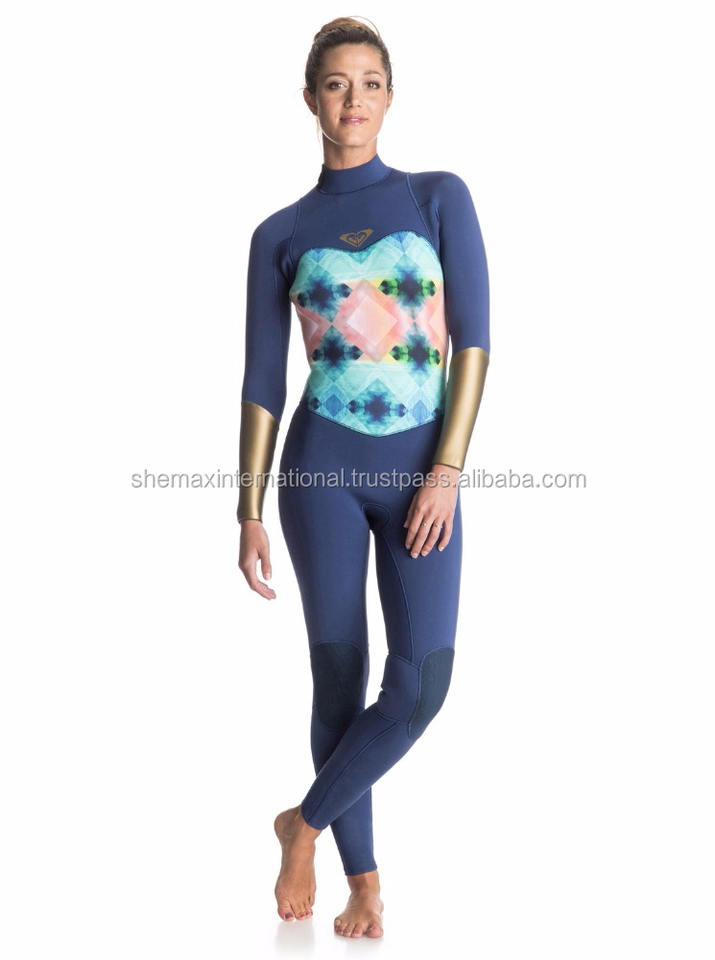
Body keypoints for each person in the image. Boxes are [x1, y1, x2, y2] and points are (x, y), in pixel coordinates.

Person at [237, 16, 490, 939]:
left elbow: (474, 343)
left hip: (425, 473)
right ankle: (365, 882)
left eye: (370, 83)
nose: (354, 100)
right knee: (338, 683)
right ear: (311, 100)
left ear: (390, 96)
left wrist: (447, 470)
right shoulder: (279, 233)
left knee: (420, 686)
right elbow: (263, 381)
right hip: (319, 476)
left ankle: (299, 824)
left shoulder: (436, 197)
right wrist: (247, 509)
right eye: (337, 84)